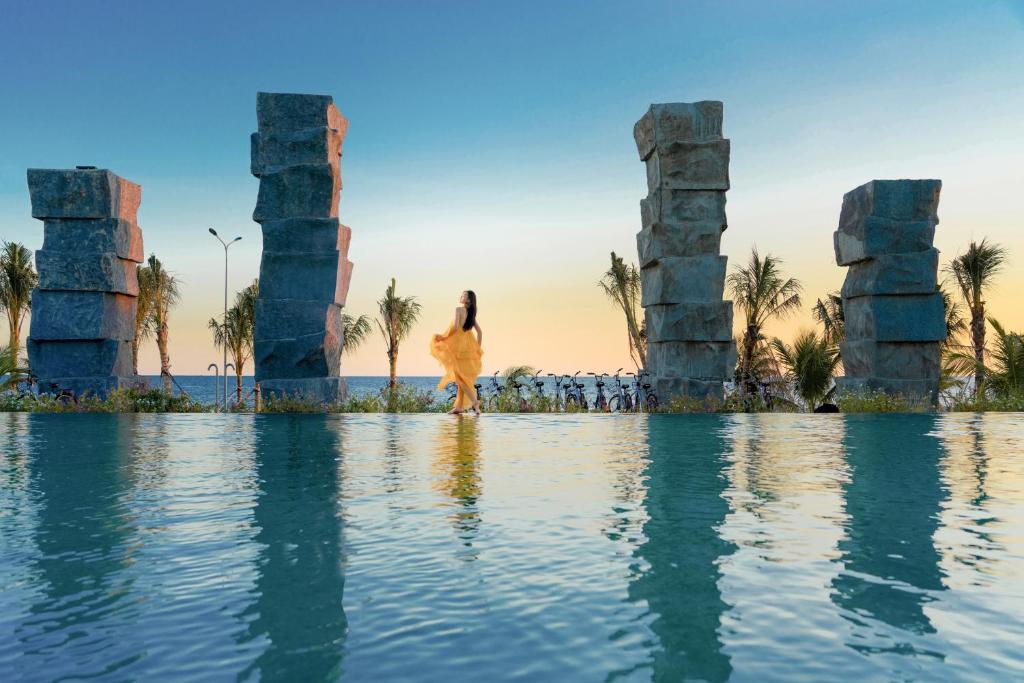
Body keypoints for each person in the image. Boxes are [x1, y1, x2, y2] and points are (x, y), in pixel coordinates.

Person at [430, 290, 483, 415]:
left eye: (463, 295)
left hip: (457, 345)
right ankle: (459, 406)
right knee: (461, 377)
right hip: (467, 347)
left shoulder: (458, 309)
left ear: (469, 300)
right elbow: (480, 333)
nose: (461, 296)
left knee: (459, 378)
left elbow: (454, 328)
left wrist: (442, 337)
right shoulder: (471, 314)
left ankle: (475, 402)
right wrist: (477, 349)